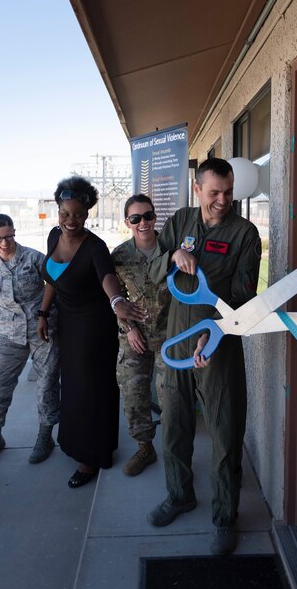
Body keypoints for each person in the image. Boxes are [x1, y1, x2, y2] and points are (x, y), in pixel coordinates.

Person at [147, 158, 261, 556]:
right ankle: (179, 495)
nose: (222, 200)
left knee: (225, 431)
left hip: (220, 344)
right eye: (214, 193)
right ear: (197, 189)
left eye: (228, 193)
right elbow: (153, 268)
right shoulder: (179, 221)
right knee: (174, 423)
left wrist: (212, 332)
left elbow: (245, 296)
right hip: (179, 339)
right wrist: (173, 257)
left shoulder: (245, 233)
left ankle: (225, 517)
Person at [37, 176, 147, 489]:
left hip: (94, 325)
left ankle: (93, 455)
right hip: (68, 324)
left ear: (88, 214)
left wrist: (116, 302)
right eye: (65, 214)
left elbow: (108, 278)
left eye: (79, 215)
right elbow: (52, 281)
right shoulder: (52, 236)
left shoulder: (95, 246)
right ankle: (73, 443)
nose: (71, 221)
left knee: (92, 389)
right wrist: (43, 314)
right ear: (58, 211)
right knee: (72, 386)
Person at [0, 214, 61, 466]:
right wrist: (5, 319)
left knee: (47, 386)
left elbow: (55, 286)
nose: (4, 243)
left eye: (8, 236)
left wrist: (46, 315)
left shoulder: (34, 259)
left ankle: (45, 436)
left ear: (14, 232)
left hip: (42, 331)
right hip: (8, 334)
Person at [112, 195, 171, 476]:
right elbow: (115, 299)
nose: (142, 223)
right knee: (134, 395)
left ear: (155, 216)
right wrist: (129, 328)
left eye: (147, 216)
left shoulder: (171, 250)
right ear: (127, 222)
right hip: (134, 338)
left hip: (168, 337)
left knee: (172, 398)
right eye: (135, 218)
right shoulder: (120, 256)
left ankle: (175, 450)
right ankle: (145, 448)